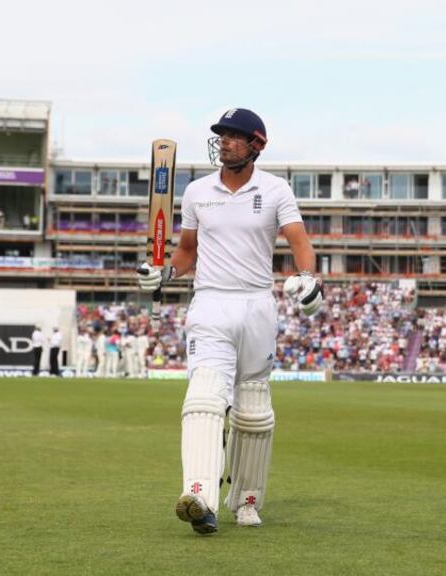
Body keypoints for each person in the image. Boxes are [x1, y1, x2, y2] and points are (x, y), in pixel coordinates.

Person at [137, 108, 323, 535]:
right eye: (222, 136)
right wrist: (163, 271)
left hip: (257, 305)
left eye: (235, 136)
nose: (225, 142)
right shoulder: (198, 191)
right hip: (210, 304)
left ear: (256, 145)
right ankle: (199, 496)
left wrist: (307, 277)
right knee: (203, 397)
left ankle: (246, 499)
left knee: (253, 409)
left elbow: (300, 242)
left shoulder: (275, 190)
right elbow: (185, 252)